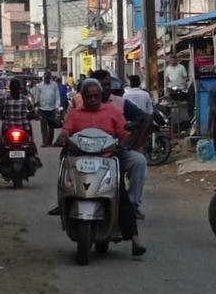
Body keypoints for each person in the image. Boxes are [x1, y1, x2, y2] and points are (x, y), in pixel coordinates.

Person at [54, 79, 146, 257]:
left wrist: (123, 144)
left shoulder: (112, 111)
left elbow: (124, 133)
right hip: (81, 159)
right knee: (68, 182)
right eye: (90, 96)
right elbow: (66, 130)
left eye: (97, 96)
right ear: (83, 97)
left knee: (120, 193)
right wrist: (61, 138)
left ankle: (134, 239)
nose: (94, 99)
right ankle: (62, 205)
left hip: (107, 159)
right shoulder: (75, 113)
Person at [94, 70, 150, 219]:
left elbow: (143, 118)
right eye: (100, 85)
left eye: (107, 85)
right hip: (87, 151)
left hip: (115, 150)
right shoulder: (79, 103)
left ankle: (132, 204)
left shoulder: (119, 103)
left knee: (139, 161)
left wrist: (134, 143)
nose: (105, 88)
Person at [0, 78, 39, 177]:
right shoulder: (25, 99)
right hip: (24, 128)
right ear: (20, 89)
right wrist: (34, 116)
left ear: (10, 89)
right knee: (31, 142)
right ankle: (36, 157)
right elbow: (33, 112)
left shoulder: (5, 99)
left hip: (8, 127)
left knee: (1, 145)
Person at [32, 72, 61, 146]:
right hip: (42, 109)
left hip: (52, 109)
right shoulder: (40, 86)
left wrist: (57, 107)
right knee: (43, 127)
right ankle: (44, 142)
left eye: (48, 77)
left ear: (50, 78)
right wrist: (36, 105)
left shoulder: (54, 85)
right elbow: (37, 96)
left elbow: (57, 96)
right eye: (45, 77)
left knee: (51, 127)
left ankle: (49, 142)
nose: (47, 79)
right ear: (43, 78)